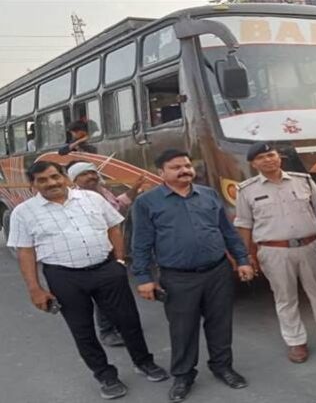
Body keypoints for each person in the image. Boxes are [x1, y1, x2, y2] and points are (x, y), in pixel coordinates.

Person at [7, 161, 168, 400]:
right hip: (64, 277)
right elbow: (26, 252)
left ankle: (144, 362)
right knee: (82, 329)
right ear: (33, 184)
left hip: (106, 270)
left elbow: (114, 228)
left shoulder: (92, 199)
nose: (51, 183)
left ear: (64, 177)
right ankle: (105, 375)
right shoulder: (23, 212)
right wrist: (35, 289)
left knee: (128, 320)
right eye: (42, 180)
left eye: (54, 176)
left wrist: (119, 261)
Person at [131, 149, 255, 403]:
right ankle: (183, 375)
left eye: (187, 166)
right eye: (176, 167)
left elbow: (227, 231)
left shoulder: (208, 195)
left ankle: (222, 367)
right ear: (161, 172)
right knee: (183, 329)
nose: (184, 171)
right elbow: (141, 244)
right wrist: (144, 278)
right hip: (178, 278)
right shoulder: (146, 203)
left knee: (220, 324)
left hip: (217, 272)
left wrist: (242, 260)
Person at [234, 142, 316, 364]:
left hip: (311, 245)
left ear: (279, 157)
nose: (268, 160)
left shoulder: (304, 181)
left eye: (271, 155)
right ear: (253, 164)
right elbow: (244, 224)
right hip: (274, 250)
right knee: (285, 298)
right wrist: (246, 256)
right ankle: (296, 341)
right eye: (261, 158)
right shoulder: (246, 190)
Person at [67, 161, 146, 347]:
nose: (91, 177)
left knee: (117, 292)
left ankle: (122, 327)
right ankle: (107, 331)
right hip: (94, 255)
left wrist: (135, 188)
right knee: (103, 295)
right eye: (84, 174)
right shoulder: (73, 200)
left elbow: (118, 206)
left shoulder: (101, 193)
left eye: (92, 173)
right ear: (74, 180)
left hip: (112, 251)